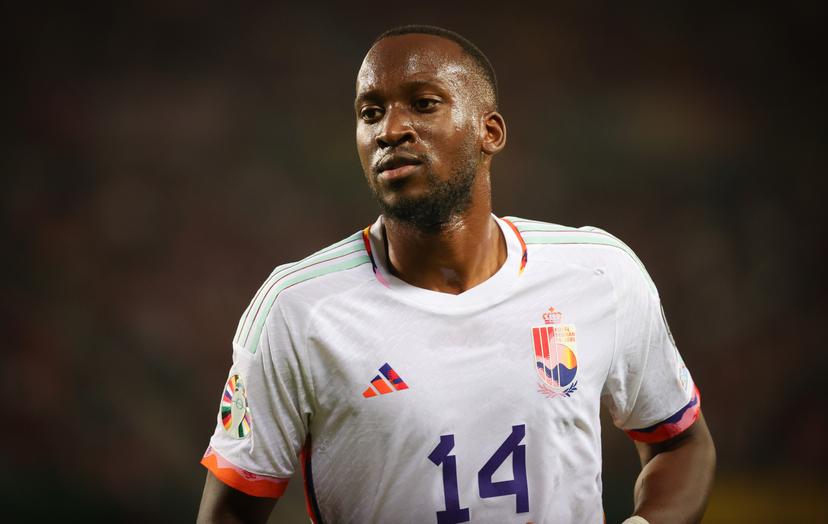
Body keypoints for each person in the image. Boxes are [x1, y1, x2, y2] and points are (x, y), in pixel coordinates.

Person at [196, 25, 715, 524]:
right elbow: (231, 512)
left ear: (489, 131)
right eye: (370, 112)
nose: (390, 130)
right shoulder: (296, 310)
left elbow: (680, 442)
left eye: (423, 104)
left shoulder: (600, 272)